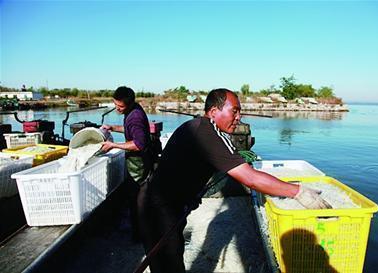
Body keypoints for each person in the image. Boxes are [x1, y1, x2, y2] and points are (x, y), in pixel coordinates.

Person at [138, 88, 331, 273]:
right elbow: (250, 178)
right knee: (168, 263)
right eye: (235, 111)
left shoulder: (204, 128)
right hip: (158, 206)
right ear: (214, 111)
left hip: (166, 202)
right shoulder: (207, 133)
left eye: (240, 112)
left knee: (167, 260)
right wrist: (298, 192)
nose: (239, 117)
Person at [100, 86, 154, 241]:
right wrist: (112, 127)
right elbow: (129, 130)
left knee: (136, 200)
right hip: (137, 161)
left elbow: (139, 144)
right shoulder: (132, 110)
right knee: (136, 199)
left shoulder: (135, 116)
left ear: (130, 103)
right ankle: (140, 231)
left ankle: (139, 235)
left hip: (138, 165)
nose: (117, 109)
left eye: (121, 106)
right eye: (115, 105)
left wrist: (113, 145)